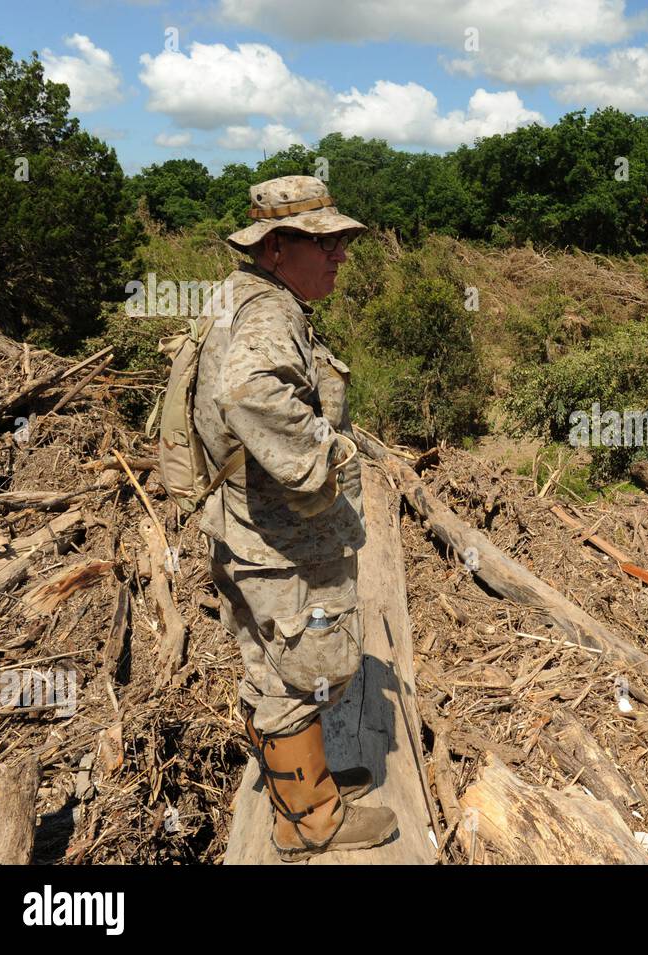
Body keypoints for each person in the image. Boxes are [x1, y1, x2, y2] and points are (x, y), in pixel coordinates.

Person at [194, 175, 397, 860]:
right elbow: (249, 392)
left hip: (244, 527)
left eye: (342, 241)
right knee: (308, 661)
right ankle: (311, 819)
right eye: (326, 242)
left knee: (272, 659)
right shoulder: (270, 313)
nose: (340, 255)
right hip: (279, 538)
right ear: (278, 246)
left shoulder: (240, 294)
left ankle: (297, 784)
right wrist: (325, 458)